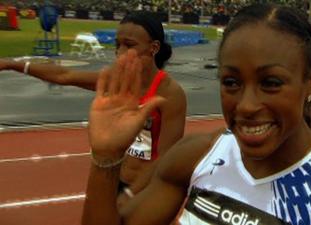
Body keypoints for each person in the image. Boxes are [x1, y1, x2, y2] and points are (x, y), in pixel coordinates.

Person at [86, 3, 311, 225]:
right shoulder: (197, 156)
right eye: (232, 82)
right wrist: (105, 159)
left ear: (310, 81)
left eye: (271, 83)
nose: (246, 105)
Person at [0, 11, 186, 224]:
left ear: (153, 48)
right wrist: (13, 64)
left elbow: (167, 158)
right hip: (116, 181)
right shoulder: (117, 83)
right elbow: (64, 76)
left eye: (129, 45)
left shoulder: (171, 94)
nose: (120, 52)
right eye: (118, 44)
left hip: (146, 189)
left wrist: (131, 194)